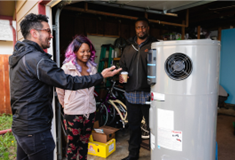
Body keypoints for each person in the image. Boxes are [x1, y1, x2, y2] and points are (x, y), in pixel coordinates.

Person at [9, 13, 121, 160]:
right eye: (48, 31)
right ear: (34, 33)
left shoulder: (22, 56)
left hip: (23, 127)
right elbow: (68, 82)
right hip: (35, 129)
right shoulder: (37, 60)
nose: (51, 35)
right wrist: (101, 76)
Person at [119, 17, 158, 160]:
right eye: (138, 27)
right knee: (134, 128)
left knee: (154, 128)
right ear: (135, 29)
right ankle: (133, 155)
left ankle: (157, 155)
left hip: (149, 94)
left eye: (144, 27)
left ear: (148, 28)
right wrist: (121, 76)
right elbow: (123, 67)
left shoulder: (155, 45)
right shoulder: (128, 48)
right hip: (131, 95)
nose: (141, 30)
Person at [56, 35, 98, 160]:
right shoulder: (67, 68)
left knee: (84, 144)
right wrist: (67, 105)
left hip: (89, 111)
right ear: (75, 52)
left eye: (88, 51)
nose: (86, 54)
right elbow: (59, 90)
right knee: (72, 146)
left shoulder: (93, 68)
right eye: (82, 51)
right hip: (73, 112)